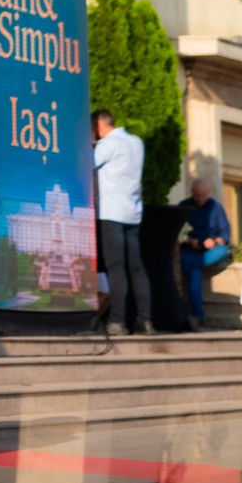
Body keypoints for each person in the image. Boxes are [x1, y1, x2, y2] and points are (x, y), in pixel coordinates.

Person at [93, 110, 153, 335]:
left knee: (116, 268)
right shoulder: (136, 142)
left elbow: (86, 164)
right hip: (133, 212)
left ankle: (118, 321)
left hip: (111, 213)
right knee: (137, 268)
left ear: (99, 126)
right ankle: (145, 320)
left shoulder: (107, 145)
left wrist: (91, 144)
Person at [177, 178, 232, 330]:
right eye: (196, 195)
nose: (199, 199)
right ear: (192, 193)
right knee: (194, 272)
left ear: (207, 193)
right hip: (190, 249)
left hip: (211, 251)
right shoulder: (184, 206)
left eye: (202, 195)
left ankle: (196, 315)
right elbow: (178, 234)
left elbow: (225, 237)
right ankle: (198, 316)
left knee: (222, 251)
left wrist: (213, 241)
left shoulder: (216, 207)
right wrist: (191, 241)